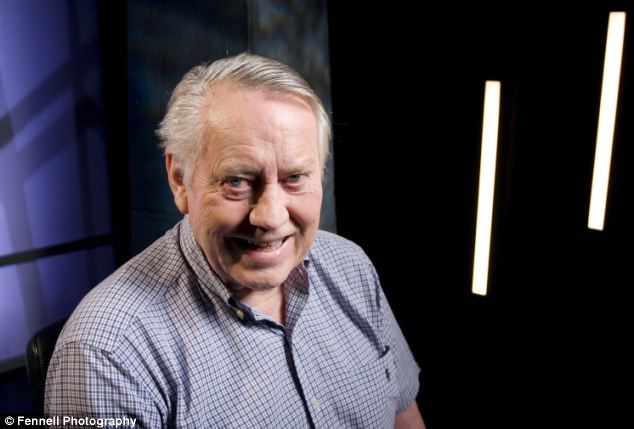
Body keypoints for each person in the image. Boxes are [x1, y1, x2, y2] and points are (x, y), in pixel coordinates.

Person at [45, 53, 425, 428]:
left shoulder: (351, 267)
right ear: (179, 179)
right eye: (237, 182)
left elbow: (403, 416)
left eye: (295, 178)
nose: (270, 217)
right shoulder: (109, 353)